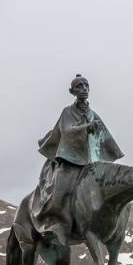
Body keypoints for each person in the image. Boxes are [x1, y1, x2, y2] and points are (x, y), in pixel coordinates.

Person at [32, 74, 124, 244]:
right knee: (59, 190)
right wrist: (86, 127)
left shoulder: (93, 114)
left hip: (90, 163)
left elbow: (106, 137)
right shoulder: (67, 112)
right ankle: (53, 224)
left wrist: (113, 153)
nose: (83, 89)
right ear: (72, 91)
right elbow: (67, 130)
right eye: (79, 86)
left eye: (86, 86)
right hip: (70, 161)